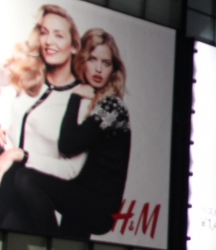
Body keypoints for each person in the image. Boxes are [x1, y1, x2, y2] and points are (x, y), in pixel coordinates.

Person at [14, 28, 132, 238]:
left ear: (113, 69)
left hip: (98, 206)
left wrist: (74, 98)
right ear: (83, 61)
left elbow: (68, 145)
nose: (98, 69)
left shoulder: (113, 107)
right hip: (81, 196)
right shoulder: (93, 100)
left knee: (26, 178)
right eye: (92, 59)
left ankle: (50, 246)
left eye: (106, 63)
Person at [0, 4, 88, 232]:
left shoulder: (82, 95)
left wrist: (20, 155)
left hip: (32, 184)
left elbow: (71, 169)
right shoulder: (30, 73)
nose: (50, 41)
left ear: (73, 46)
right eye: (44, 33)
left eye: (59, 35)